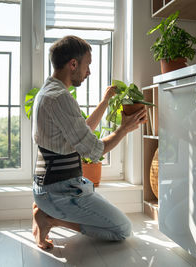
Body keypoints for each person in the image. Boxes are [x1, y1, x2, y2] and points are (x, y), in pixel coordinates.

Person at [31, 35, 147, 249]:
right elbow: (94, 151)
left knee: (114, 221)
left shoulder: (48, 92)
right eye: (87, 65)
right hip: (60, 191)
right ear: (73, 64)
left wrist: (105, 102)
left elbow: (81, 133)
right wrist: (124, 129)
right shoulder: (60, 97)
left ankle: (46, 211)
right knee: (122, 229)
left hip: (53, 186)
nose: (89, 72)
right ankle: (49, 219)